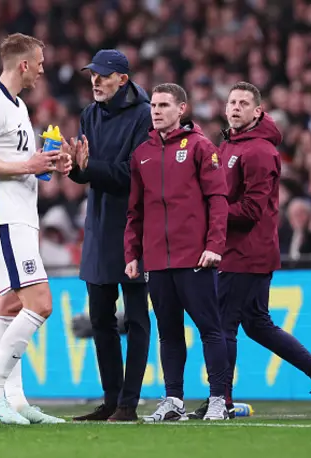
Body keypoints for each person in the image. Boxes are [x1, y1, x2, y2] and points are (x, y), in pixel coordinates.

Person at [187, 82, 311, 420]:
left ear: (257, 112)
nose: (236, 107)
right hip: (240, 250)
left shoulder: (258, 151)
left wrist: (210, 213)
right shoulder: (229, 145)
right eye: (232, 102)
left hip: (246, 252)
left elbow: (252, 210)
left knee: (224, 324)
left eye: (244, 103)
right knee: (256, 324)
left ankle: (221, 402)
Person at [0, 33, 70, 425]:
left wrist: (46, 163)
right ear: (23, 64)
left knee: (10, 306)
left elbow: (15, 161)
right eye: (39, 62)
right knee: (40, 303)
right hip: (3, 218)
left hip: (21, 215)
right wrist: (28, 166)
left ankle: (15, 399)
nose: (43, 68)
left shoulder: (20, 106)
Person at [124, 83, 230, 421]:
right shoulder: (141, 153)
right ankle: (173, 399)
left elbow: (218, 200)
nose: (155, 111)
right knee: (168, 333)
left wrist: (214, 246)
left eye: (164, 105)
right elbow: (135, 211)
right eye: (153, 105)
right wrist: (132, 253)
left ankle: (217, 400)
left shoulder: (201, 147)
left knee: (209, 329)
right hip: (157, 259)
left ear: (181, 109)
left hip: (195, 257)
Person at [65, 49, 152, 422]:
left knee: (135, 318)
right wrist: (72, 167)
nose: (95, 81)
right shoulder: (89, 114)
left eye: (103, 75)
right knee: (101, 316)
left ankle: (129, 403)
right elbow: (88, 173)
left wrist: (89, 168)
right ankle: (112, 399)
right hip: (99, 225)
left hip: (135, 226)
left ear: (123, 79)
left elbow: (135, 174)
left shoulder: (144, 116)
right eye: (93, 75)